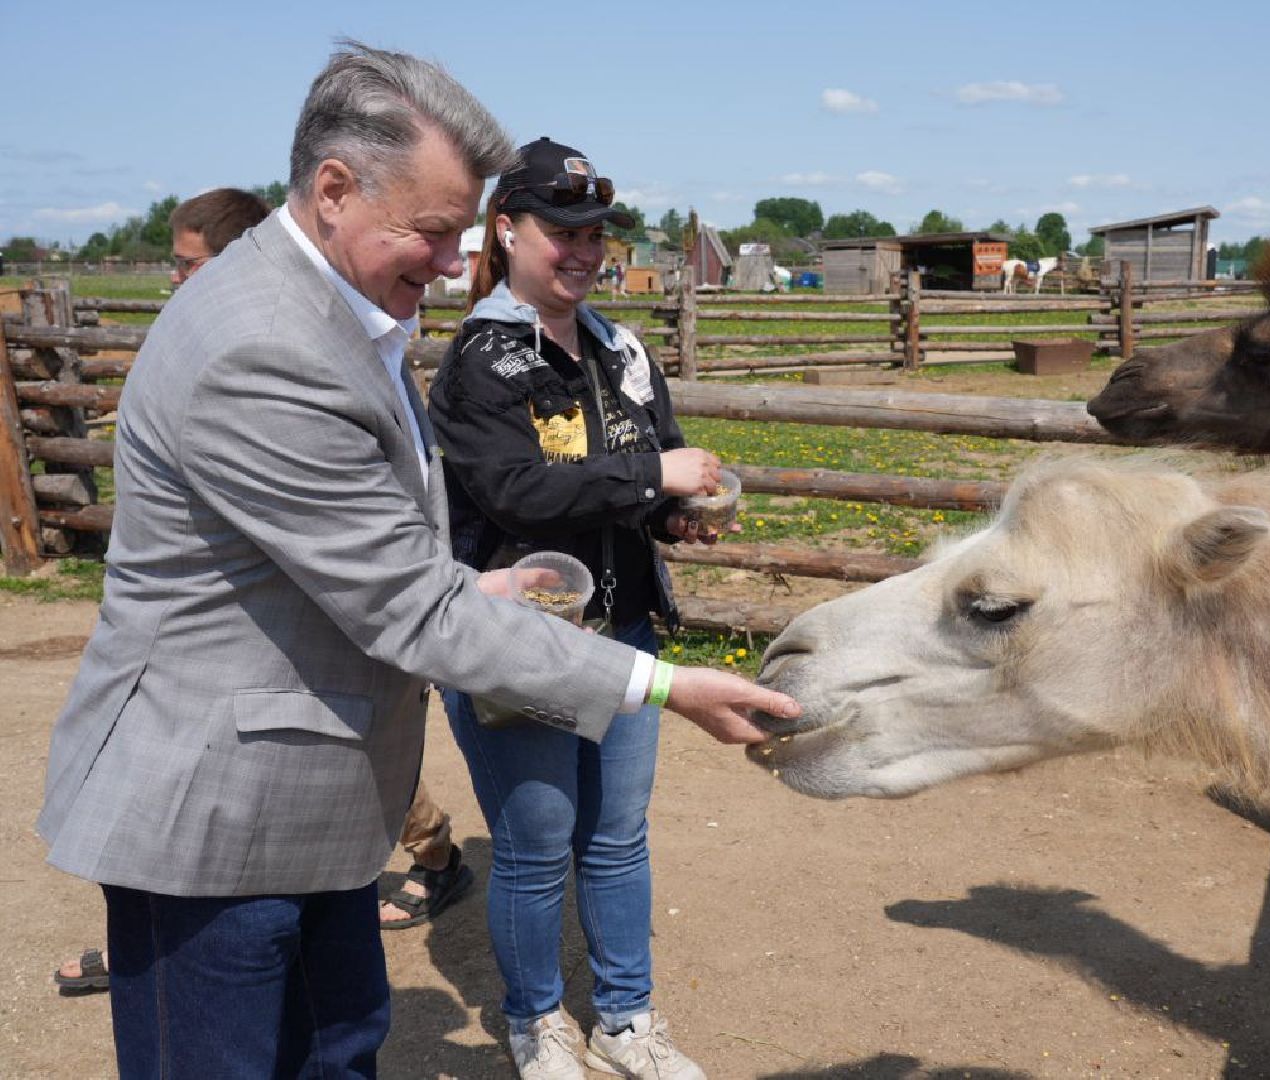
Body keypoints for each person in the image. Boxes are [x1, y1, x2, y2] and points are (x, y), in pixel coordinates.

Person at [34, 42, 796, 1079]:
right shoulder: (264, 346)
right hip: (216, 827)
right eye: (437, 232)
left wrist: (475, 584)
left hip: (308, 810)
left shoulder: (346, 315)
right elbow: (410, 608)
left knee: (340, 1053)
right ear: (336, 189)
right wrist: (663, 685)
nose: (450, 262)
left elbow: (370, 566)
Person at [428, 138, 729, 1080]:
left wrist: (678, 513)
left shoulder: (619, 348)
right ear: (506, 230)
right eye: (560, 230)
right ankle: (535, 1020)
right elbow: (517, 493)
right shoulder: (482, 357)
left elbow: (651, 465)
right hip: (516, 640)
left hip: (623, 628)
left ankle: (626, 1019)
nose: (583, 250)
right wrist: (651, 475)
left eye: (594, 232)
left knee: (615, 835)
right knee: (533, 845)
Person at [53, 186, 273, 998]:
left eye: (188, 265)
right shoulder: (198, 347)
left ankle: (431, 850)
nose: (177, 281)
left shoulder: (249, 357)